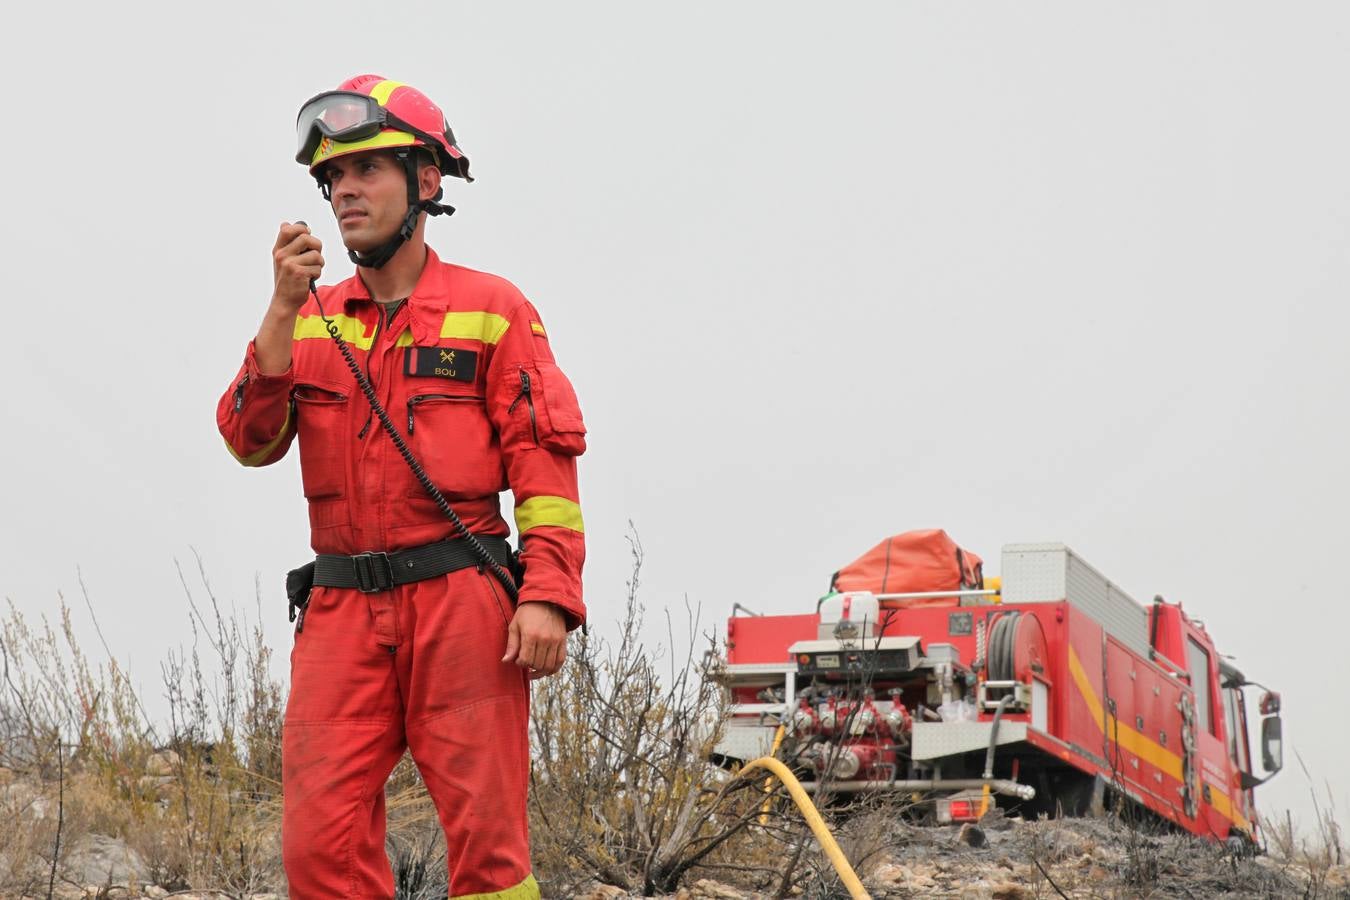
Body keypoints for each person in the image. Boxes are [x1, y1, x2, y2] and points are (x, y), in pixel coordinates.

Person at [216, 74, 586, 899]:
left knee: (489, 855)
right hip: (342, 614)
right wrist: (277, 312)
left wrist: (550, 593)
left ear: (425, 182)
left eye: (366, 172)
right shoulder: (307, 317)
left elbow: (545, 465)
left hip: (464, 607)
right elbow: (250, 442)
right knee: (320, 849)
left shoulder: (493, 309)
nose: (344, 192)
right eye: (332, 180)